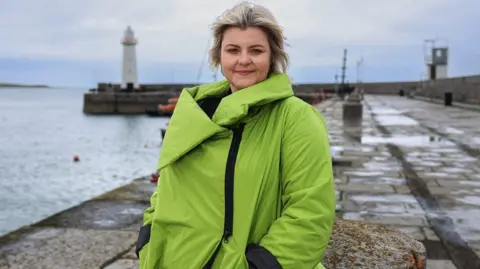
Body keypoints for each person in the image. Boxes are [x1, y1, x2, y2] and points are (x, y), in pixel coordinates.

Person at [135, 2, 336, 268]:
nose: (243, 60)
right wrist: (149, 238)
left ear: (273, 56)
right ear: (218, 56)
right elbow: (167, 184)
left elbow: (311, 210)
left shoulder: (296, 118)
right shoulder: (193, 114)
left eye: (256, 50)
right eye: (233, 49)